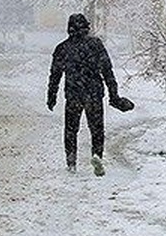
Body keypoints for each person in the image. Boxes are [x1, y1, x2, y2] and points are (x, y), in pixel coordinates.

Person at [47, 13, 119, 175]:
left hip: (73, 95)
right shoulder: (96, 45)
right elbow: (108, 71)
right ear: (87, 27)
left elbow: (55, 75)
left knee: (71, 130)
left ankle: (71, 162)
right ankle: (97, 155)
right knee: (97, 129)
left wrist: (51, 96)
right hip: (93, 94)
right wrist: (113, 93)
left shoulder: (62, 48)